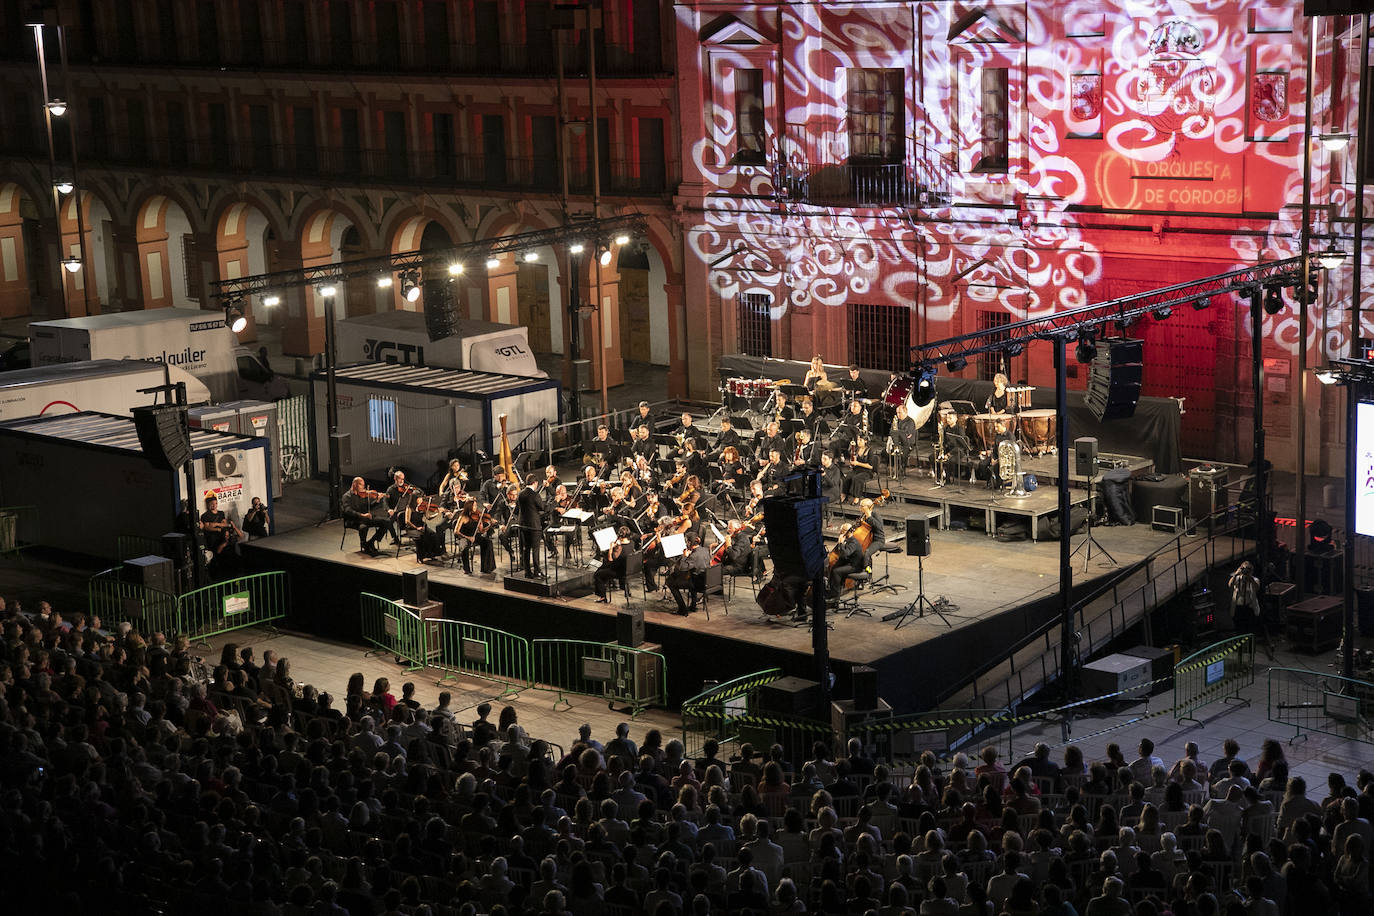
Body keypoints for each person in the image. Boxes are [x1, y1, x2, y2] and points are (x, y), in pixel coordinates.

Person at [668, 532, 710, 616]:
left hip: (698, 583)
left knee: (670, 583)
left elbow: (682, 568)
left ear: (689, 543)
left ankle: (682, 609)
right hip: (706, 580)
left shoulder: (693, 556)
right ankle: (693, 606)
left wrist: (685, 556)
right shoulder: (705, 550)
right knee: (692, 573)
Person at [455, 498, 496, 574]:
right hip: (463, 537)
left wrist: (490, 526)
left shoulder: (478, 517)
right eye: (474, 506)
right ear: (469, 507)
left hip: (474, 536)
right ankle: (466, 569)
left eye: (476, 506)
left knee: (488, 542)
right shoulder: (463, 517)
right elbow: (456, 531)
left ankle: (485, 567)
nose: (476, 508)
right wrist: (468, 537)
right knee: (464, 546)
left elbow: (481, 531)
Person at [517, 473, 545, 577]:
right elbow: (543, 508)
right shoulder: (535, 495)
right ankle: (537, 570)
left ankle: (527, 572)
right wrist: (555, 502)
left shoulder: (520, 494)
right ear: (535, 483)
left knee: (526, 549)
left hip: (523, 525)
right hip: (534, 526)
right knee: (535, 549)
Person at [827, 523, 865, 599]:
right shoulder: (848, 540)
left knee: (836, 571)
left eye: (842, 530)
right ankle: (832, 590)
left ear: (847, 531)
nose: (840, 532)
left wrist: (840, 543)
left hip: (855, 566)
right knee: (834, 567)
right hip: (849, 563)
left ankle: (835, 595)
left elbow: (844, 554)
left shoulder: (853, 542)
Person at [594, 527, 631, 603]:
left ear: (620, 536)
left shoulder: (620, 548)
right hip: (629, 569)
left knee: (597, 574)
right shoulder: (631, 543)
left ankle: (602, 596)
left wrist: (611, 548)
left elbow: (610, 560)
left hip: (619, 571)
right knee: (602, 568)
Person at [887, 402, 918, 478]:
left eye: (900, 413)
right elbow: (891, 432)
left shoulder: (910, 422)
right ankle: (893, 469)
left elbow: (907, 435)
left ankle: (901, 471)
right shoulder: (896, 421)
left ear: (905, 412)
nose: (898, 415)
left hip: (908, 444)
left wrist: (897, 432)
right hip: (898, 443)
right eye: (897, 413)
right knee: (884, 452)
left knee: (902, 454)